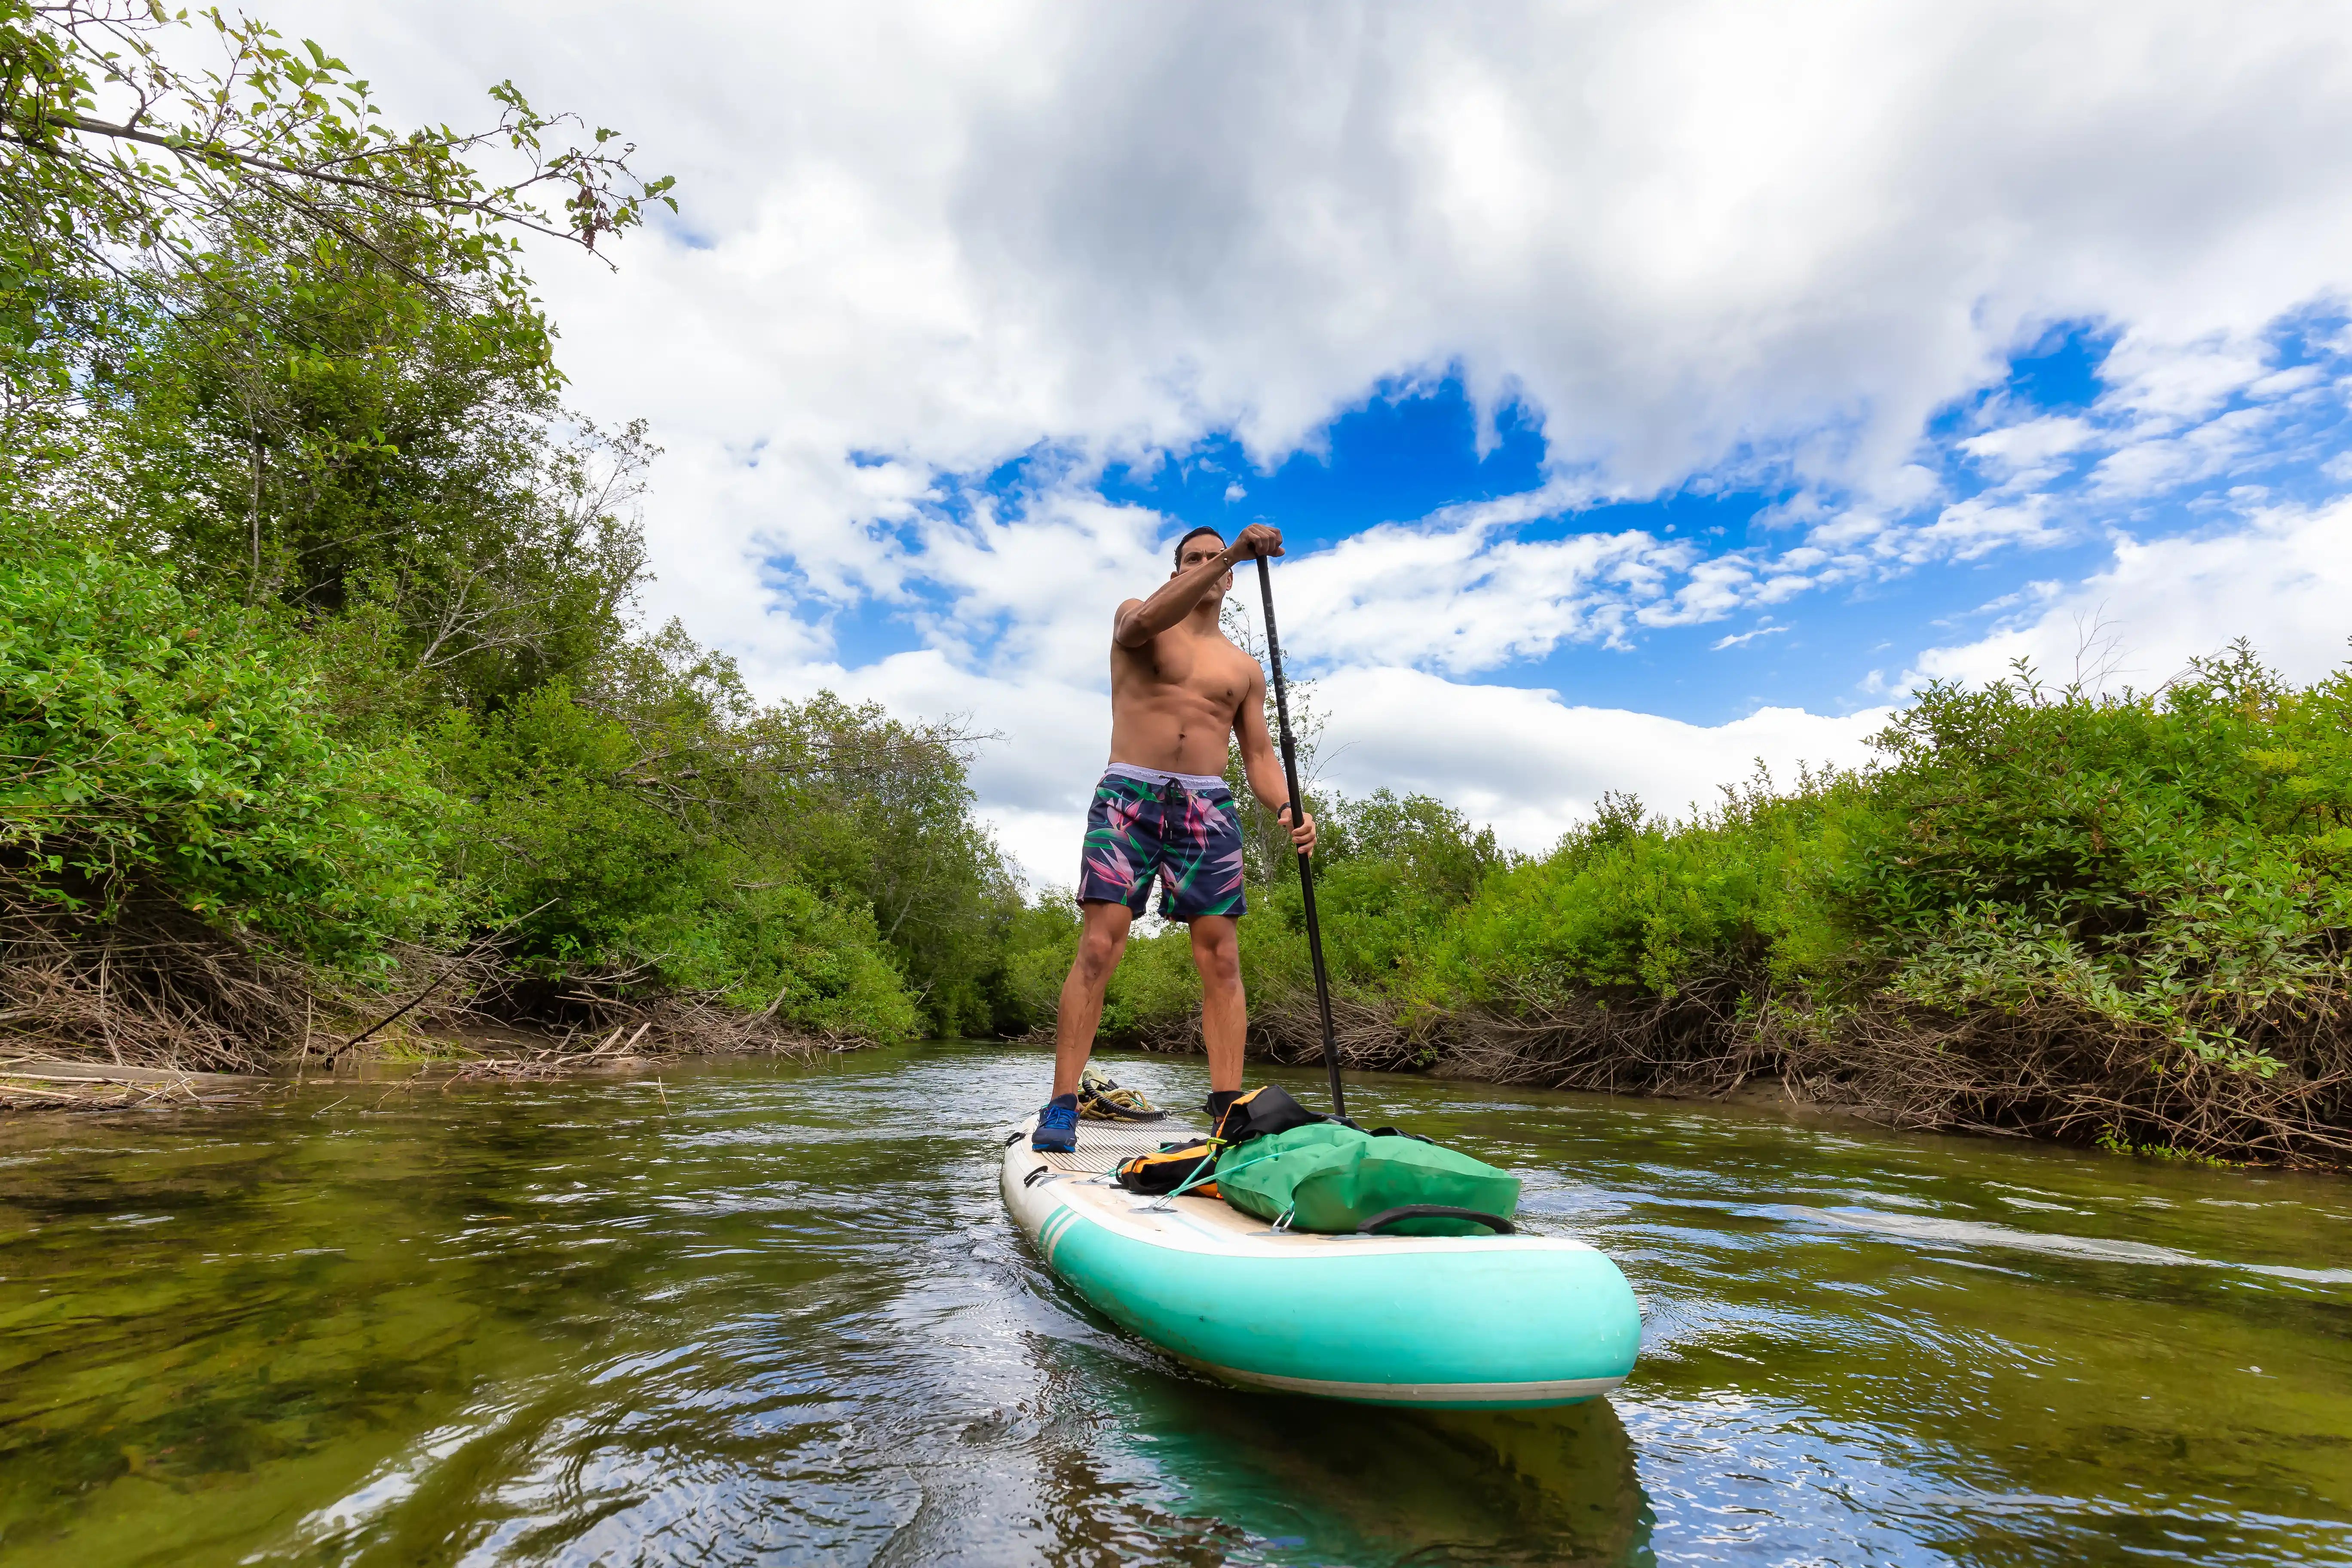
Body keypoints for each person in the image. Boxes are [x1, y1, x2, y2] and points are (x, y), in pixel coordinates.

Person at [1031, 522, 1317, 1152]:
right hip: (1127, 798)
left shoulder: (1242, 669)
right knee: (1101, 946)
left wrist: (1287, 807)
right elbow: (1137, 628)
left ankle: (1226, 1110)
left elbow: (1260, 756)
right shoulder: (1139, 617)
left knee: (1222, 956)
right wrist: (1235, 550)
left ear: (1234, 580)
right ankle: (1061, 1103)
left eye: (1218, 560)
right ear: (1175, 572)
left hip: (1206, 807)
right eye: (1195, 559)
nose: (1209, 566)